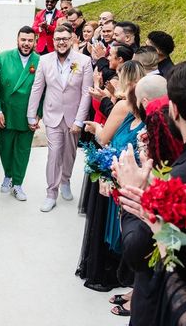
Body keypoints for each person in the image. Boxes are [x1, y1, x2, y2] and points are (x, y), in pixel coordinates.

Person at [115, 60, 186, 326]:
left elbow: (139, 253)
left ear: (174, 110)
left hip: (170, 304)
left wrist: (133, 194)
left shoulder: (183, 178)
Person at [77, 61, 145, 293]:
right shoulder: (136, 110)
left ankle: (112, 271)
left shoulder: (124, 106)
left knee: (113, 231)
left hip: (119, 180)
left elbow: (104, 139)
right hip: (119, 177)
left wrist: (96, 128)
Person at [27, 24, 93, 212]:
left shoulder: (84, 61)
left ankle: (66, 180)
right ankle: (51, 193)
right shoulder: (44, 60)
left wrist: (79, 120)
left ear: (72, 39)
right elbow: (37, 88)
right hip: (52, 114)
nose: (61, 42)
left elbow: (86, 93)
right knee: (54, 153)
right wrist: (31, 115)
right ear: (53, 41)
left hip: (74, 116)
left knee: (69, 153)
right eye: (57, 39)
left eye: (65, 38)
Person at [0, 26, 41, 201]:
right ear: (17, 40)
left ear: (35, 41)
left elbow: (44, 90)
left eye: (30, 40)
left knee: (22, 150)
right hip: (6, 112)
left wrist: (37, 114)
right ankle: (8, 174)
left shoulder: (40, 61)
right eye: (23, 40)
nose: (26, 44)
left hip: (28, 114)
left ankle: (18, 183)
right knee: (4, 146)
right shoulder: (3, 58)